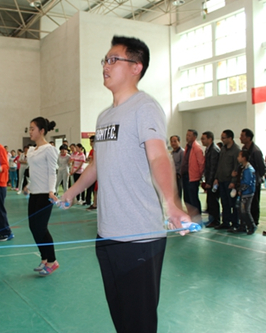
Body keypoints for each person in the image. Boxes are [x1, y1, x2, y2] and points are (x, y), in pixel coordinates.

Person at [61, 36, 189, 333]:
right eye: (105, 60)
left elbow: (158, 156)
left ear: (135, 67)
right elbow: (97, 166)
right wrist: (70, 192)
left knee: (139, 323)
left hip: (139, 237)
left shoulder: (145, 107)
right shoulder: (105, 116)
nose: (105, 66)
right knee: (121, 318)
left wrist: (171, 203)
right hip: (107, 236)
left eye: (112, 59)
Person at [26, 117, 59, 275]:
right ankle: (44, 258)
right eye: (30, 128)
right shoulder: (32, 150)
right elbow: (33, 171)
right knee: (33, 227)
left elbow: (52, 172)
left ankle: (52, 261)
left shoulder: (49, 149)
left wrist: (52, 191)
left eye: (33, 128)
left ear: (42, 131)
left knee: (41, 227)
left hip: (45, 194)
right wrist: (28, 185)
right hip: (34, 193)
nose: (30, 131)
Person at [213, 130, 241, 231]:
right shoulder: (223, 150)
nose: (222, 139)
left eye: (224, 137)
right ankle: (225, 222)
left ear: (230, 138)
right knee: (224, 203)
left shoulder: (236, 150)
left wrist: (233, 181)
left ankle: (235, 223)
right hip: (221, 180)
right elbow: (219, 164)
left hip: (230, 182)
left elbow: (236, 167)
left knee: (232, 204)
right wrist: (216, 177)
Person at [240, 128, 266, 226]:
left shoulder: (256, 151)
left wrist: (256, 178)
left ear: (248, 138)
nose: (240, 138)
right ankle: (246, 222)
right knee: (246, 203)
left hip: (254, 182)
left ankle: (254, 222)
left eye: (242, 136)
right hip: (246, 181)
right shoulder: (244, 149)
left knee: (254, 203)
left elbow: (262, 168)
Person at [181, 129, 205, 218]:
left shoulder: (197, 148)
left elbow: (201, 163)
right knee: (186, 198)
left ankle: (197, 217)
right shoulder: (187, 147)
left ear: (194, 137)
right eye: (187, 135)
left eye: (189, 135)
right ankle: (191, 216)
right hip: (186, 176)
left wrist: (199, 176)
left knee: (193, 198)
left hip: (193, 177)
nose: (187, 137)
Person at [201, 131, 220, 228]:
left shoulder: (214, 150)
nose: (201, 140)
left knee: (213, 201)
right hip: (209, 179)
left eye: (203, 138)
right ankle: (212, 219)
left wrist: (210, 182)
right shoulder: (208, 149)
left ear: (210, 139)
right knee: (210, 201)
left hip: (213, 181)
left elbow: (213, 167)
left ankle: (215, 220)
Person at [236, 150, 257, 235]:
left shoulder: (248, 169)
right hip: (245, 192)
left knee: (245, 210)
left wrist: (240, 190)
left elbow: (247, 182)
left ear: (244, 158)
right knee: (241, 210)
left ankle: (251, 225)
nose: (238, 158)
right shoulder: (244, 168)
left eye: (239, 156)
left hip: (247, 193)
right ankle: (243, 226)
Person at [170, 135, 184, 200]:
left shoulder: (182, 152)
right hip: (172, 178)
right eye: (171, 142)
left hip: (179, 177)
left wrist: (178, 175)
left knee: (178, 195)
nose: (173, 143)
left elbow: (183, 165)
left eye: (175, 141)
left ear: (179, 142)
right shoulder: (172, 153)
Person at [85, 136, 97, 208]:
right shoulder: (91, 151)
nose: (91, 143)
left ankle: (96, 204)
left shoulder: (98, 151)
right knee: (94, 190)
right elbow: (90, 161)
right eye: (90, 142)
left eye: (92, 141)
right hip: (92, 172)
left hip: (97, 173)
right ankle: (94, 203)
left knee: (97, 190)